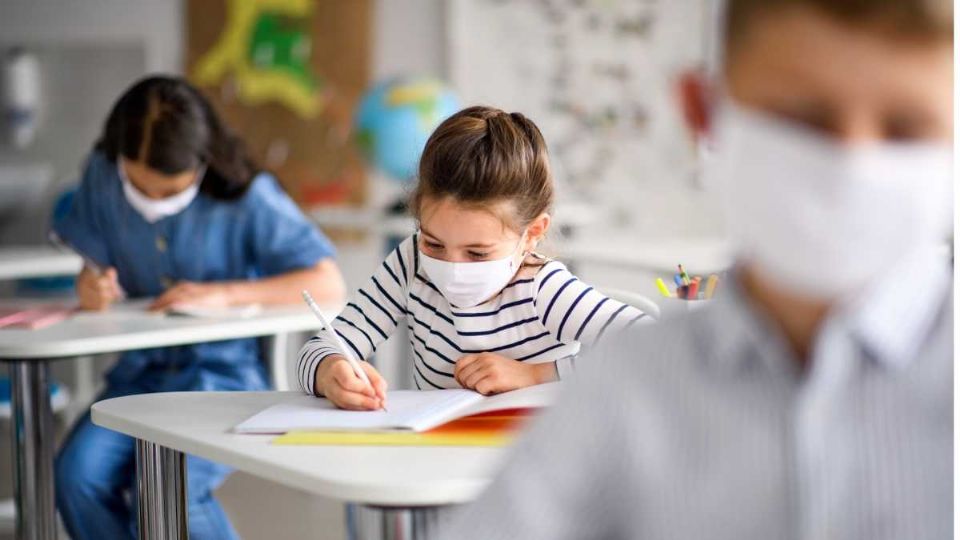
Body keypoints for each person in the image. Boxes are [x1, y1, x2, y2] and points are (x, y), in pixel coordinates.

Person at [438, 0, 953, 538]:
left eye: (906, 129)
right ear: (704, 113)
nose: (852, 165)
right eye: (803, 119)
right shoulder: (621, 390)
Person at [53, 76, 346, 540]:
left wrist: (226, 293)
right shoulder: (102, 176)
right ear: (120, 160)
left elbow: (327, 281)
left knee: (172, 493)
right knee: (76, 476)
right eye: (141, 189)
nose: (155, 204)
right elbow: (92, 263)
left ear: (202, 161)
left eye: (171, 193)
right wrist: (91, 287)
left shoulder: (247, 195)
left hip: (222, 378)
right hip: (138, 377)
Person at [296, 106, 652, 410]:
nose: (451, 268)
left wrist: (535, 374)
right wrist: (331, 371)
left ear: (531, 234)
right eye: (434, 244)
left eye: (477, 253)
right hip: (438, 462)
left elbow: (654, 349)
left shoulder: (543, 289)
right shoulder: (410, 262)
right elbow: (324, 345)